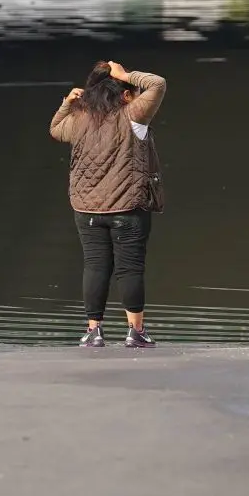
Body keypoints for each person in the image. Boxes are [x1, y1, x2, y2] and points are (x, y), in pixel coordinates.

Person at [49, 61, 166, 349]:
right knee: (130, 269)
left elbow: (55, 130)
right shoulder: (134, 116)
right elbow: (158, 83)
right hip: (128, 207)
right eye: (132, 90)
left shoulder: (78, 120)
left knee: (95, 266)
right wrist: (126, 75)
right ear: (125, 94)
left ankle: (94, 332)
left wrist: (68, 103)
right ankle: (135, 332)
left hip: (86, 209)